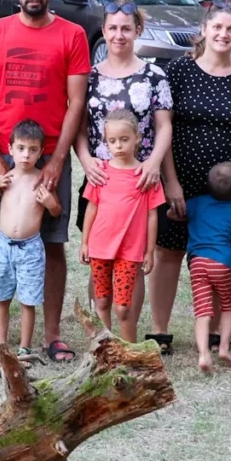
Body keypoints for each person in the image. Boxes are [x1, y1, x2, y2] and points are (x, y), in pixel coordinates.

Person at [0, 0, 91, 361]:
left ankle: (52, 334)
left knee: (53, 243)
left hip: (50, 154)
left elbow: (77, 102)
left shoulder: (73, 35)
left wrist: (58, 161)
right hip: (5, 156)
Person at [152, 1, 231, 350]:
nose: (223, 34)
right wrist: (171, 181)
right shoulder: (179, 70)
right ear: (205, 30)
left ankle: (210, 332)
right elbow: (162, 127)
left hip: (225, 188)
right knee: (169, 251)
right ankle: (160, 331)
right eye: (218, 27)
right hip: (181, 175)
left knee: (213, 255)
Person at [0, 121, 58, 358]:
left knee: (28, 300)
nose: (26, 154)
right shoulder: (5, 179)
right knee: (0, 297)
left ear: (40, 152)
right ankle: (2, 347)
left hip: (30, 248)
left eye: (32, 149)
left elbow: (56, 211)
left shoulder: (42, 180)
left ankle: (25, 348)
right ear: (10, 148)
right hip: (3, 246)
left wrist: (51, 204)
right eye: (20, 148)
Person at [81, 108, 165, 341]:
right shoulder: (101, 173)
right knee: (102, 301)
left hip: (129, 251)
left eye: (124, 139)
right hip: (100, 248)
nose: (118, 146)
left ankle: (129, 353)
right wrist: (85, 242)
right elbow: (92, 208)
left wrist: (149, 251)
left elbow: (152, 216)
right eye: (112, 141)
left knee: (123, 308)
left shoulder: (146, 175)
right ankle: (104, 350)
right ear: (105, 142)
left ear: (137, 137)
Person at [184, 160, 231, 373]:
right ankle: (223, 347)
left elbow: (175, 214)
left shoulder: (195, 203)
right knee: (227, 306)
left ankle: (203, 353)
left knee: (203, 310)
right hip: (221, 263)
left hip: (198, 263)